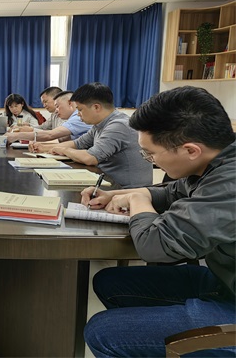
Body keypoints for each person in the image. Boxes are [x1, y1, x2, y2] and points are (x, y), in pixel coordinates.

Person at [81, 86, 236, 357]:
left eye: (150, 154)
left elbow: (155, 245)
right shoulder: (216, 160)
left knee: (103, 332)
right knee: (110, 282)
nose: (149, 160)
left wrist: (136, 200)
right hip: (225, 282)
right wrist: (114, 195)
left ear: (190, 150)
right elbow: (172, 192)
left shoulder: (229, 183)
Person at [29, 82, 152, 188]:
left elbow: (90, 158)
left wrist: (64, 150)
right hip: (107, 181)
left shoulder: (118, 125)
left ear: (96, 107)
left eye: (80, 109)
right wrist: (45, 148)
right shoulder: (100, 124)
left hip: (125, 190)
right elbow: (78, 143)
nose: (78, 114)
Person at [6, 91, 91, 144]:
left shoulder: (77, 118)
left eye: (57, 106)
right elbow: (66, 140)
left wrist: (17, 135)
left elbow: (51, 135)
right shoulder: (60, 115)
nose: (56, 110)